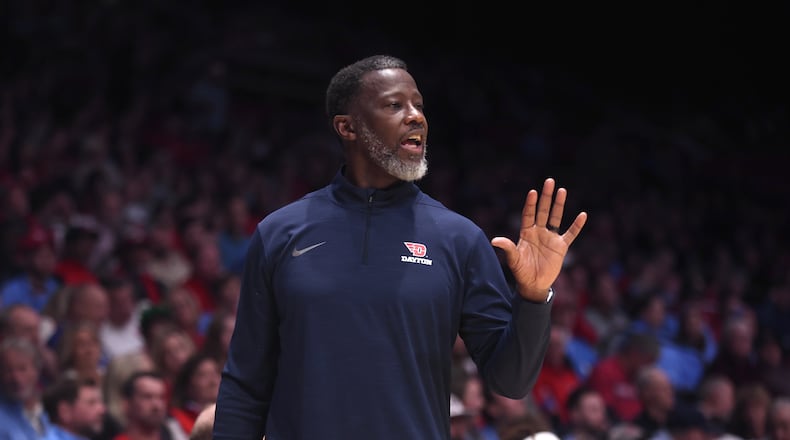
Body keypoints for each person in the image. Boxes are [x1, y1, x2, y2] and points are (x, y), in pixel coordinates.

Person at [213, 54, 587, 439]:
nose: (416, 117)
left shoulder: (459, 239)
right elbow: (245, 383)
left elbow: (511, 381)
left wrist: (533, 297)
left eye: (419, 106)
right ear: (347, 127)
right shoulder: (280, 233)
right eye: (395, 105)